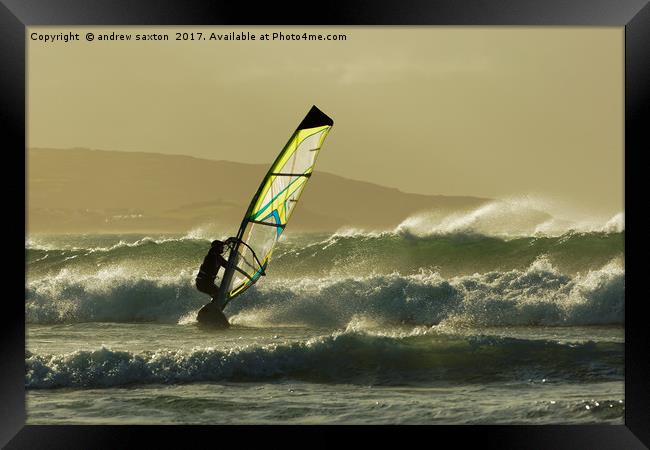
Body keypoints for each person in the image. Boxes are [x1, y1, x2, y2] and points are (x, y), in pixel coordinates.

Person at [195, 238, 235, 328]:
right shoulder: (211, 256)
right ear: (217, 248)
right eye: (221, 247)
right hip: (202, 283)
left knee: (220, 297)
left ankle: (210, 314)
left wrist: (228, 243)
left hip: (207, 283)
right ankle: (204, 313)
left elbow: (227, 266)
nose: (223, 249)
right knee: (219, 296)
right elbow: (213, 250)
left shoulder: (218, 257)